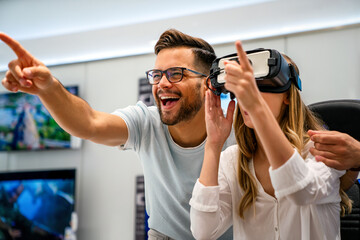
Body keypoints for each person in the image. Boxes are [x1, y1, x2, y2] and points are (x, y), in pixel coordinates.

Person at [0, 29, 234, 239]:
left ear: (207, 84)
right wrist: (49, 89)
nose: (162, 84)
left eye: (175, 74)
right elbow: (89, 123)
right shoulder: (146, 122)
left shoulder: (237, 131)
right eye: (157, 75)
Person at [189, 41, 352, 239]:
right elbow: (203, 231)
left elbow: (300, 190)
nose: (248, 95)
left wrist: (257, 107)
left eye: (260, 85)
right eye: (246, 87)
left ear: (287, 96)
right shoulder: (232, 161)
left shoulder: (322, 151)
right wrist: (213, 145)